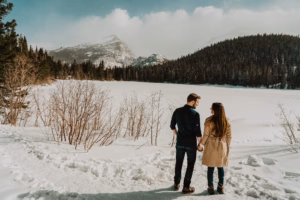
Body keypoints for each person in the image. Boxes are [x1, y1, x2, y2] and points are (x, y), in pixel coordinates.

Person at [170, 93, 202, 194]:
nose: (197, 104)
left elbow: (172, 126)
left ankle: (176, 183)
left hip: (180, 142)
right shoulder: (195, 114)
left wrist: (177, 134)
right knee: (190, 165)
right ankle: (186, 187)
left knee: (178, 163)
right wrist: (199, 144)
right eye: (197, 102)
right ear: (192, 102)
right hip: (191, 144)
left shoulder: (178, 111)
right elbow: (198, 132)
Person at [199, 103, 232, 195]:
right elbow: (229, 137)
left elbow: (206, 135)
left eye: (212, 107)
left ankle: (210, 187)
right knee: (220, 166)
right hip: (222, 146)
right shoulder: (226, 121)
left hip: (211, 146)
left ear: (215, 109)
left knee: (211, 167)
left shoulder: (209, 120)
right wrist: (226, 146)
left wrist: (201, 145)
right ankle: (221, 187)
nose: (210, 108)